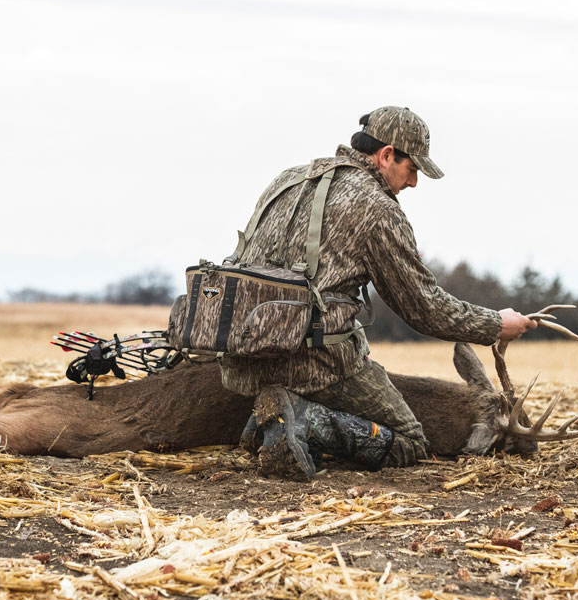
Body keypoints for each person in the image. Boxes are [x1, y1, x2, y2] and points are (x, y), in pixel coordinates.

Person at [221, 106, 537, 479]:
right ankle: (304, 419)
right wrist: (494, 324)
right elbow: (424, 307)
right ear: (386, 155)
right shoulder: (377, 208)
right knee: (409, 440)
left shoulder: (288, 180)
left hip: (240, 357)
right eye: (412, 169)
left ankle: (265, 422)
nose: (414, 182)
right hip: (312, 363)